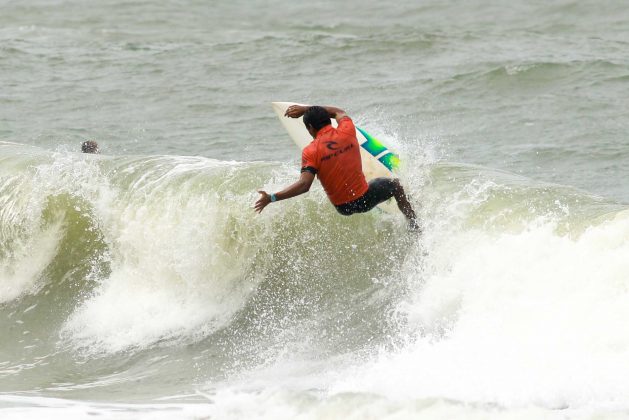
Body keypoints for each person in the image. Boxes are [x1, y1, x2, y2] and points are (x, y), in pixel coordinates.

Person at [254, 104, 419, 230]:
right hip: (365, 199)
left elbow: (304, 185)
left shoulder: (310, 152)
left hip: (343, 207)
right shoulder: (347, 130)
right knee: (395, 185)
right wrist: (306, 109)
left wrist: (271, 198)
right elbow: (339, 111)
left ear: (310, 128)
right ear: (328, 119)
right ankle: (414, 225)